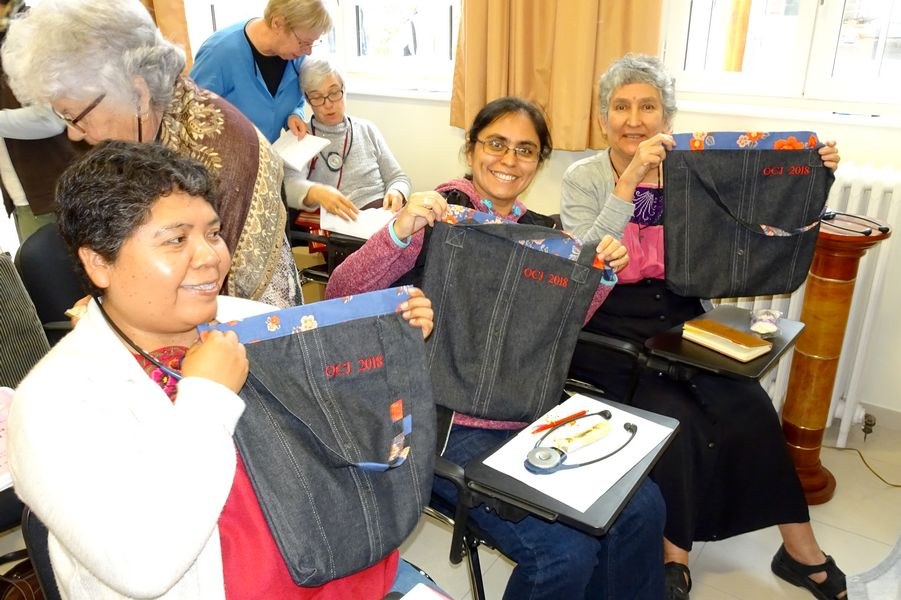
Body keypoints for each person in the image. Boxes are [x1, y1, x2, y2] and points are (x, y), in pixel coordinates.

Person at [7, 140, 437, 600]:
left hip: (347, 562)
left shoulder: (251, 322)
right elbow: (143, 568)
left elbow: (337, 427)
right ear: (99, 262)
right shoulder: (52, 403)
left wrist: (388, 351)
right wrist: (207, 395)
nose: (211, 256)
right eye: (176, 240)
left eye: (212, 234)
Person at [327, 96, 666, 600]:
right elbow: (339, 293)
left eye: (525, 150)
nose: (509, 159)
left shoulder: (545, 234)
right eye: (496, 144)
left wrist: (601, 275)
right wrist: (399, 230)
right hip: (445, 425)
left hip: (526, 414)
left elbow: (556, 327)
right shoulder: (436, 215)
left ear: (538, 162)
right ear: (471, 148)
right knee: (563, 554)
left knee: (643, 506)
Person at [561, 53, 846, 600]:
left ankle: (799, 548)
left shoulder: (693, 169)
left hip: (682, 310)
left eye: (648, 106)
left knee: (748, 402)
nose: (634, 119)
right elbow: (584, 258)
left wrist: (816, 172)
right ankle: (676, 554)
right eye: (621, 107)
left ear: (667, 117)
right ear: (602, 118)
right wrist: (631, 180)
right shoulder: (583, 177)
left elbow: (763, 210)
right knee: (679, 413)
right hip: (607, 319)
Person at [2, 0, 303, 308]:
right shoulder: (153, 127)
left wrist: (114, 308)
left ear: (138, 95)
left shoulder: (217, 157)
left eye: (75, 116)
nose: (74, 134)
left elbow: (210, 295)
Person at [285, 57, 411, 220]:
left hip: (382, 215)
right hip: (341, 224)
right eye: (317, 97)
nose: (328, 104)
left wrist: (396, 192)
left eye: (334, 93)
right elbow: (287, 187)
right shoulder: (302, 136)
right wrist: (315, 192)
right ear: (308, 100)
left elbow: (398, 178)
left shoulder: (367, 129)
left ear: (344, 89)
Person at [191, 0, 332, 143]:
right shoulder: (218, 54)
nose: (308, 51)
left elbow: (295, 102)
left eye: (312, 43)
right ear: (277, 23)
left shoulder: (295, 57)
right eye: (304, 43)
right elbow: (190, 118)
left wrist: (294, 115)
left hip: (268, 154)